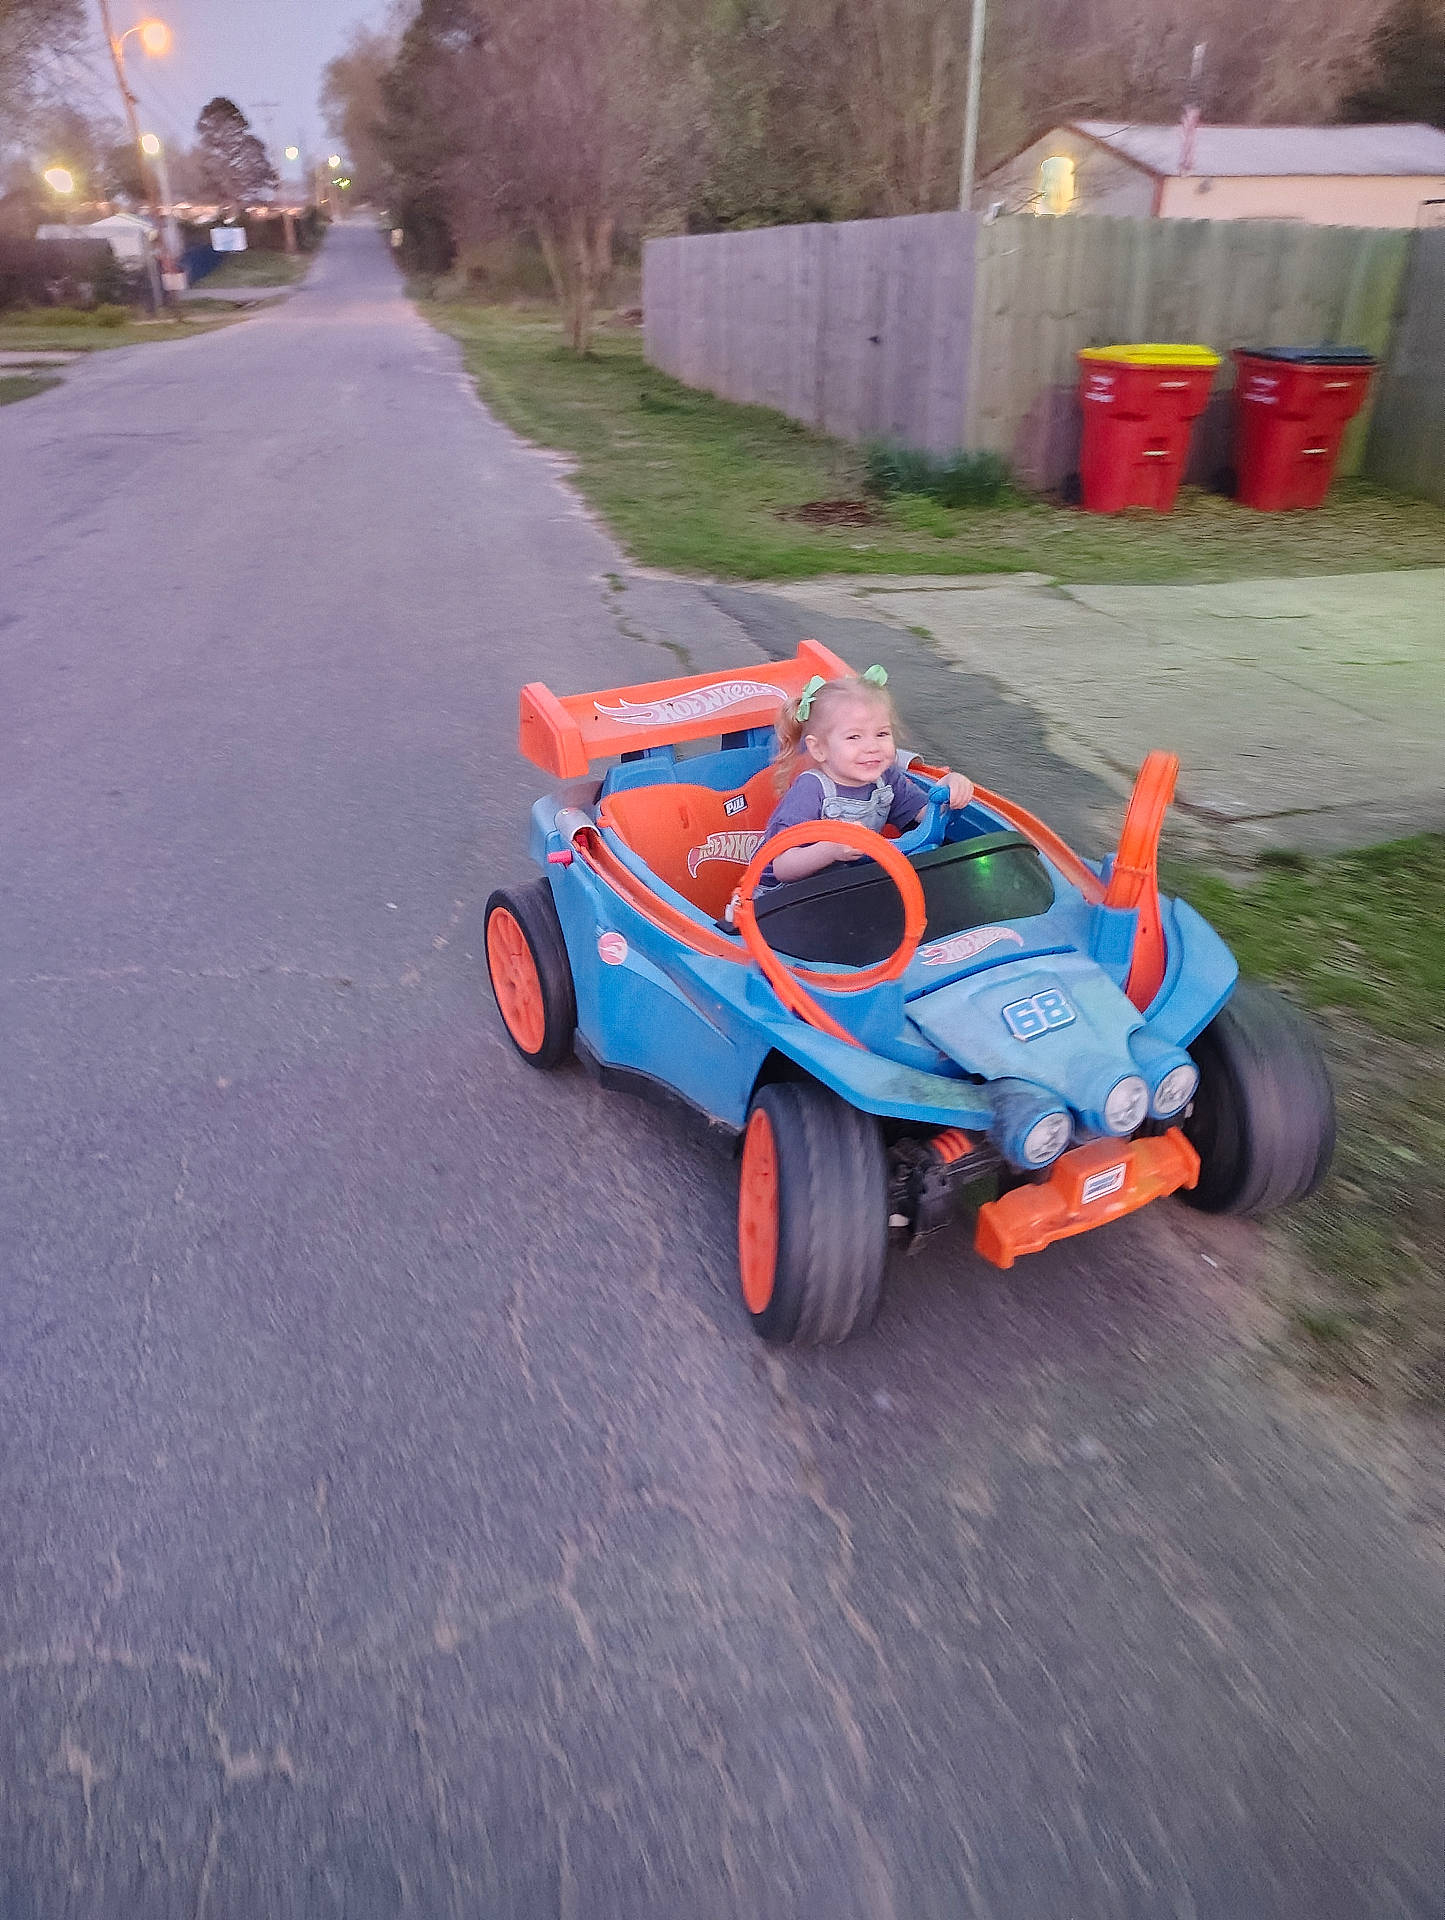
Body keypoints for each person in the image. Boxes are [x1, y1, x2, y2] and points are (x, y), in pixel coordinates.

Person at [759, 667, 974, 886]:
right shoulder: (811, 789)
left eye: (881, 734)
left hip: (846, 888)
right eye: (854, 737)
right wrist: (830, 849)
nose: (872, 747)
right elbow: (783, 867)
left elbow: (929, 817)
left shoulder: (886, 778)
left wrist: (950, 787)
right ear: (819, 749)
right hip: (782, 900)